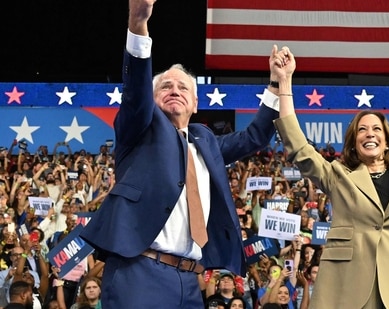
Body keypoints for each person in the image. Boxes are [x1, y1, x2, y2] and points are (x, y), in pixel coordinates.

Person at [80, 0, 289, 307]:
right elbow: (136, 88)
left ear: (195, 104)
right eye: (165, 86)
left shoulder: (205, 142)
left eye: (183, 88)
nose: (174, 90)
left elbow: (255, 136)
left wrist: (276, 83)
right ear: (152, 100)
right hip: (138, 272)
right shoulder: (139, 129)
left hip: (190, 281)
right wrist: (138, 24)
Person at [271, 48, 389, 308]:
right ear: (354, 142)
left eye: (376, 129)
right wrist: (284, 82)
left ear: (386, 139)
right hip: (346, 287)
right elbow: (299, 148)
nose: (369, 134)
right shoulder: (339, 176)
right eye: (362, 130)